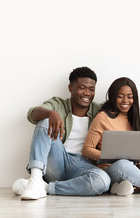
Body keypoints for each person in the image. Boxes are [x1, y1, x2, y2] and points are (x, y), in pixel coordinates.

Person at [12, 67, 111, 200]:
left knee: (102, 181)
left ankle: (44, 187)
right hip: (58, 160)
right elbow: (32, 113)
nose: (87, 93)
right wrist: (51, 113)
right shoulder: (58, 104)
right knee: (45, 121)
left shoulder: (100, 111)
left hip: (83, 166)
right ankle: (35, 179)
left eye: (91, 89)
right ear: (71, 88)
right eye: (82, 87)